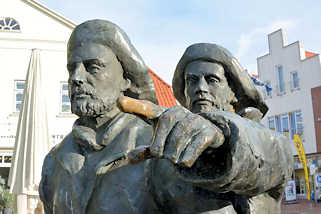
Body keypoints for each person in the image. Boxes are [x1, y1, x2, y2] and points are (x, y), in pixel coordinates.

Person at [39, 20, 293, 214]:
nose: (76, 78)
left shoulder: (161, 145)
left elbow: (274, 163)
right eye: (72, 68)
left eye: (93, 67)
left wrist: (222, 143)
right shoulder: (54, 162)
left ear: (126, 79)